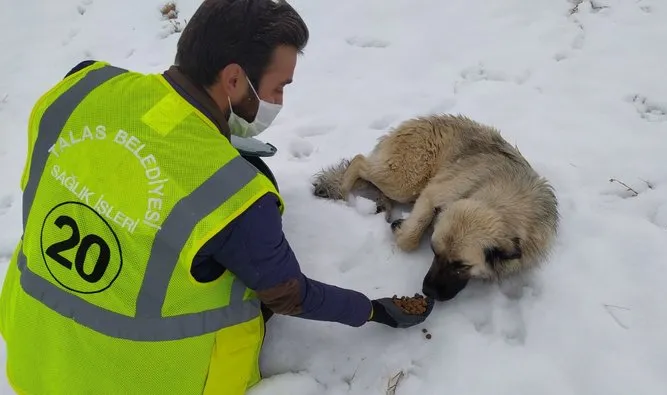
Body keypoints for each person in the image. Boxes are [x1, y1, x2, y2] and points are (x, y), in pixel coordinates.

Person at [0, 0, 433, 394]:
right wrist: (372, 311)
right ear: (233, 79)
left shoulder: (80, 89)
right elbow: (289, 294)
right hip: (138, 380)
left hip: (31, 354)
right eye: (279, 87)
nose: (280, 100)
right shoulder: (231, 194)